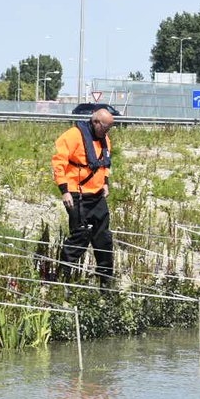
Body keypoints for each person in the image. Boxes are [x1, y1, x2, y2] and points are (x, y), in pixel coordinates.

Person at [52, 107, 115, 287]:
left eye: (110, 128)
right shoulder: (72, 136)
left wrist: (105, 183)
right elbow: (58, 162)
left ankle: (106, 285)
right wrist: (64, 190)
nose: (107, 132)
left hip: (97, 196)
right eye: (105, 127)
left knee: (103, 239)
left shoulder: (105, 139)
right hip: (76, 194)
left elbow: (105, 164)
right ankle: (64, 280)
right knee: (80, 236)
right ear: (95, 122)